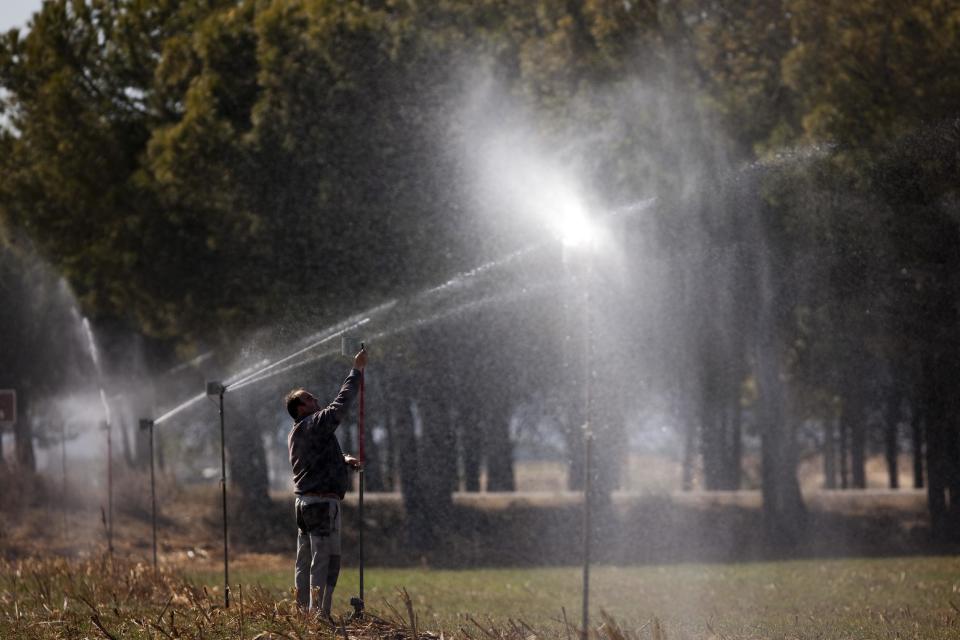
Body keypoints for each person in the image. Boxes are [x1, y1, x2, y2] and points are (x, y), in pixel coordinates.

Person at [285, 347, 367, 618]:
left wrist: (343, 460)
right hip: (321, 503)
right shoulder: (311, 424)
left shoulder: (301, 432)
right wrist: (356, 371)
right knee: (326, 559)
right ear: (299, 409)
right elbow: (340, 406)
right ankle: (319, 616)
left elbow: (316, 460)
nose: (315, 399)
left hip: (305, 503)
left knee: (304, 559)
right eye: (308, 399)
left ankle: (301, 614)